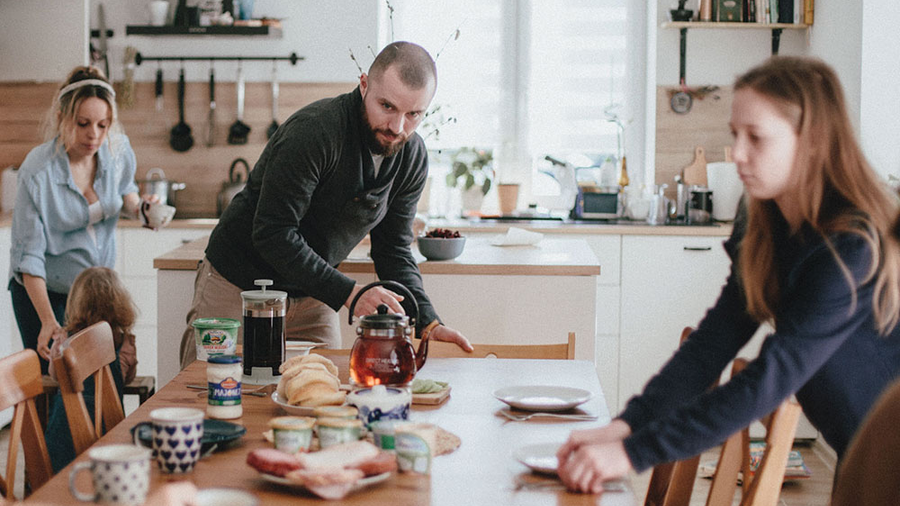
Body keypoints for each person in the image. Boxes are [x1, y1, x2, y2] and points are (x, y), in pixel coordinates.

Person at [556, 56, 900, 494]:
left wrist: (632, 453)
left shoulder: (851, 246)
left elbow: (771, 377)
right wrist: (625, 427)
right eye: (735, 134)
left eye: (756, 137)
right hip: (862, 453)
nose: (736, 153)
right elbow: (711, 346)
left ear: (813, 141)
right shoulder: (764, 224)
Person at [178, 41, 472, 368]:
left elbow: (393, 250)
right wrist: (350, 294)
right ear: (364, 85)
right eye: (387, 106)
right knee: (210, 387)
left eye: (413, 114)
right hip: (238, 285)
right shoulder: (315, 132)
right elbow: (273, 233)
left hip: (313, 295)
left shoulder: (411, 157)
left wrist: (428, 323)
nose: (397, 127)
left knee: (324, 390)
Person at [8, 66, 145, 375]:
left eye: (103, 124)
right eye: (83, 124)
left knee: (105, 377)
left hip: (95, 292)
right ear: (61, 118)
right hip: (46, 293)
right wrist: (48, 321)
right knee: (58, 381)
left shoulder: (118, 151)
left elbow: (127, 191)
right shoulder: (38, 171)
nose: (94, 134)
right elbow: (29, 258)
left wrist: (142, 208)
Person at [46, 266, 138, 472]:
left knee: (63, 479)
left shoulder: (65, 338)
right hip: (106, 426)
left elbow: (55, 374)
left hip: (64, 427)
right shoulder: (123, 341)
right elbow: (127, 377)